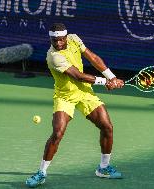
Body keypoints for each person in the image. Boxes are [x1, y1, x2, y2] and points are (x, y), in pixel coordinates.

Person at [25, 23, 124, 188]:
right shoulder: (53, 56)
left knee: (107, 127)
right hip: (65, 97)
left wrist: (112, 77)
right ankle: (41, 173)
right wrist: (106, 82)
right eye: (54, 40)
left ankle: (104, 168)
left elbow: (92, 57)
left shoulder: (74, 39)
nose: (58, 43)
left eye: (61, 40)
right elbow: (77, 76)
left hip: (85, 93)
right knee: (57, 133)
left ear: (66, 36)